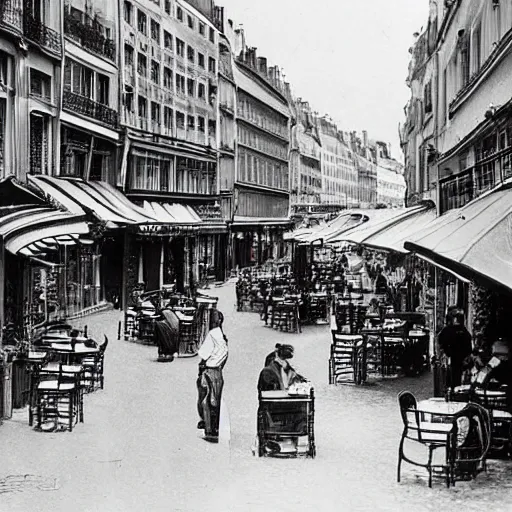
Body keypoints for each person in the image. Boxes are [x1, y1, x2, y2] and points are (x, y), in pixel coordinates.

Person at [196, 310, 228, 443]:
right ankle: (214, 428)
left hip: (209, 370)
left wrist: (202, 366)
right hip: (218, 372)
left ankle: (210, 430)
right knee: (216, 400)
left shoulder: (212, 335)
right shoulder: (222, 336)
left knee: (206, 401)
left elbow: (203, 355)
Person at [438, 307, 472, 390]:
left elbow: (468, 342)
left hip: (458, 357)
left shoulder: (460, 330)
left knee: (456, 375)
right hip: (452, 356)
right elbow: (441, 341)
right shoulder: (451, 330)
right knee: (452, 375)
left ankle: (453, 389)